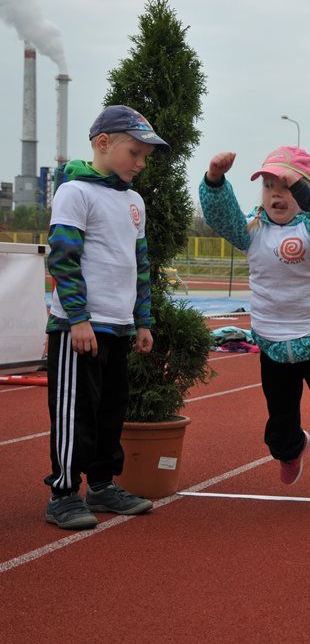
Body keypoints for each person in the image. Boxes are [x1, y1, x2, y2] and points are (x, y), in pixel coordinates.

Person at [200, 147, 310, 492]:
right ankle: (290, 451)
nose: (275, 194)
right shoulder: (251, 229)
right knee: (280, 422)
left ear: (306, 194)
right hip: (275, 344)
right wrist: (214, 181)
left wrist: (305, 193)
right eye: (268, 186)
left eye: (286, 187)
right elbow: (222, 217)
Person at [42, 105, 166, 530]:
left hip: (119, 324)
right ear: (103, 143)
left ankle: (101, 484)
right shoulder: (74, 192)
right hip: (79, 327)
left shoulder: (134, 201)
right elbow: (63, 257)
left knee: (111, 409)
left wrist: (143, 320)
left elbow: (140, 263)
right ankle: (63, 493)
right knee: (76, 411)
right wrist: (77, 318)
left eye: (146, 157)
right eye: (135, 153)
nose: (141, 163)